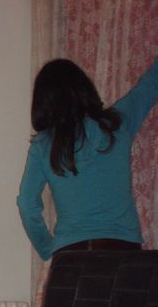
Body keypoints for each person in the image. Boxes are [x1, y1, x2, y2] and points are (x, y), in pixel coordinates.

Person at [17, 57, 158, 260]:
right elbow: (150, 85)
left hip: (71, 256)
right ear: (84, 89)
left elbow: (27, 204)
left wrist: (47, 248)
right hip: (122, 251)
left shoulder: (43, 144)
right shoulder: (116, 123)